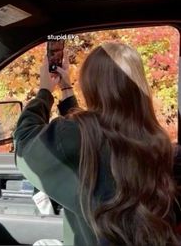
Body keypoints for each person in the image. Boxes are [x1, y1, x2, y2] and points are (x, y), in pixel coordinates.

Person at [14, 43, 181, 246]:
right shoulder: (158, 141)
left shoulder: (77, 136)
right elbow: (93, 130)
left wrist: (44, 91)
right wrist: (66, 88)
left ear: (90, 84)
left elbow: (24, 143)